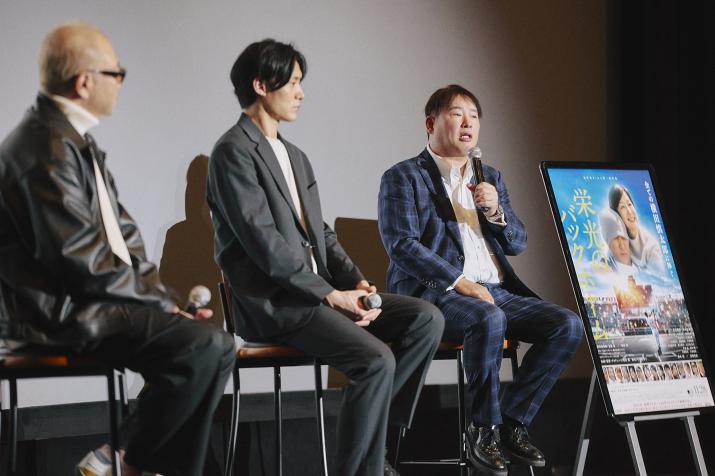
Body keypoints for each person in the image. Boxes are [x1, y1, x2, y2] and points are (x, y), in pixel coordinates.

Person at [0, 23, 234, 476]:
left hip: (85, 302)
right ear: (84, 82)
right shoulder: (45, 147)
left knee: (216, 347)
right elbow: (82, 260)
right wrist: (161, 303)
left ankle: (121, 459)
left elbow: (124, 240)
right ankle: (125, 462)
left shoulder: (74, 141)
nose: (122, 82)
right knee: (203, 346)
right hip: (55, 314)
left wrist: (165, 303)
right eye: (116, 73)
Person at [206, 39, 444, 476]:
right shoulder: (232, 152)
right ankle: (364, 468)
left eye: (301, 82)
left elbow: (322, 234)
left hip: (318, 297)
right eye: (293, 82)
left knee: (425, 319)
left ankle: (376, 445)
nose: (301, 93)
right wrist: (331, 295)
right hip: (278, 304)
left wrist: (355, 283)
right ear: (261, 85)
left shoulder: (295, 156)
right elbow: (264, 244)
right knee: (376, 360)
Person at [377, 84, 583, 474]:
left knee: (567, 326)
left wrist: (495, 212)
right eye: (457, 114)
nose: (468, 123)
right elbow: (401, 244)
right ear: (431, 123)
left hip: (496, 292)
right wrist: (459, 281)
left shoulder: (490, 178)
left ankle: (510, 424)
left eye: (474, 116)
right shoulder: (404, 177)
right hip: (436, 294)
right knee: (488, 318)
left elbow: (518, 242)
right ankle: (482, 429)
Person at [608, 184, 663, 273]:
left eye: (629, 204)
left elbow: (660, 278)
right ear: (616, 216)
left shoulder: (651, 247)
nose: (630, 212)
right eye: (622, 207)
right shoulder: (617, 242)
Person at [598, 208, 639, 275]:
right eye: (615, 238)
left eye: (624, 238)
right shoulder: (604, 268)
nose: (622, 245)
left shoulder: (641, 264)